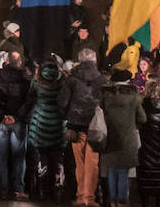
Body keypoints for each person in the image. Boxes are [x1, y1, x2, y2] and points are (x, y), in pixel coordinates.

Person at [61, 47, 104, 206]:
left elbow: (62, 101)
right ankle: (89, 198)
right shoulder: (101, 79)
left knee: (79, 163)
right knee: (92, 163)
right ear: (94, 60)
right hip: (95, 127)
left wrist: (67, 116)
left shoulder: (72, 79)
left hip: (75, 126)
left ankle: (80, 197)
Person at [0, 50, 30, 200]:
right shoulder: (25, 78)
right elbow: (29, 101)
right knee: (19, 157)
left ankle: (2, 189)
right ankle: (18, 189)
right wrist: (16, 116)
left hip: (0, 122)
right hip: (18, 122)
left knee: (0, 157)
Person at [100, 69, 143, 207]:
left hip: (110, 137)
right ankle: (122, 201)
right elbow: (143, 118)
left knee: (112, 169)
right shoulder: (133, 98)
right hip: (127, 138)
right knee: (123, 170)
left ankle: (113, 200)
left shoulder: (106, 96)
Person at [26, 61, 67, 201]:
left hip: (40, 125)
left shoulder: (36, 83)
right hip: (57, 125)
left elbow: (30, 101)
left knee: (41, 158)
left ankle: (42, 189)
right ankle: (57, 188)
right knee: (56, 157)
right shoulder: (63, 83)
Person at [137, 80, 160, 207]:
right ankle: (159, 202)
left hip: (145, 150)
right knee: (159, 179)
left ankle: (145, 202)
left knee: (145, 180)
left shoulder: (143, 107)